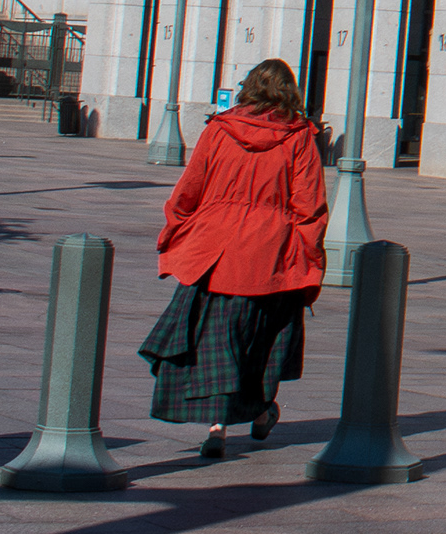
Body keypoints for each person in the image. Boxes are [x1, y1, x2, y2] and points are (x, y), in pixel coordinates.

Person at [139, 57, 329, 459]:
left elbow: (188, 189)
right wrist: (308, 259)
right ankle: (261, 412)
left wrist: (177, 232)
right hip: (269, 254)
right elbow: (309, 207)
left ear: (248, 87)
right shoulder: (299, 137)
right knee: (266, 336)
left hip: (214, 253)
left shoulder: (219, 129)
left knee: (214, 337)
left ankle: (218, 425)